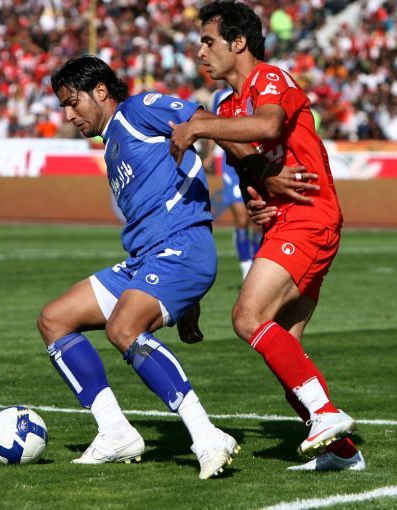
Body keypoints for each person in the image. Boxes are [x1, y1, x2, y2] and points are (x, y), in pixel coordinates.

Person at [170, 0, 365, 471]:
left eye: (208, 41)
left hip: (310, 217)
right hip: (285, 221)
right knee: (286, 349)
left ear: (238, 42)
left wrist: (200, 126)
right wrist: (259, 195)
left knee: (247, 317)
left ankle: (324, 414)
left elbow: (269, 124)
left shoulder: (269, 78)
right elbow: (250, 171)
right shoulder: (227, 107)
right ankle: (342, 453)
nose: (200, 52)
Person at [38, 55, 240, 480]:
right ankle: (115, 433)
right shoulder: (112, 144)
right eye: (63, 107)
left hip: (182, 247)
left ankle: (207, 436)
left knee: (123, 328)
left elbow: (204, 121)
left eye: (73, 103)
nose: (69, 115)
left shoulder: (137, 111)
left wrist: (253, 170)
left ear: (100, 91)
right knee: (55, 319)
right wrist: (186, 307)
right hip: (146, 260)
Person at [205, 87, 262, 280]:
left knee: (257, 221)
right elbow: (213, 126)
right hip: (229, 162)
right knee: (241, 219)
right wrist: (209, 154)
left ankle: (257, 263)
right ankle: (246, 267)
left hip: (253, 159)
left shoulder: (255, 90)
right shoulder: (219, 96)